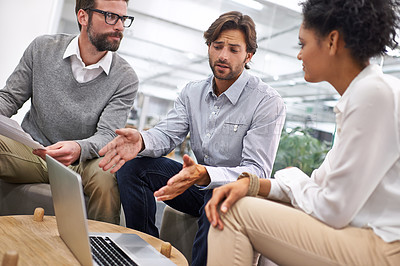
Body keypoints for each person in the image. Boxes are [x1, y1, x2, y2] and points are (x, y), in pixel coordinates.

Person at [205, 0, 400, 265]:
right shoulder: (366, 93)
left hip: (384, 248)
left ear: (332, 41)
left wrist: (290, 177)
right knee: (239, 203)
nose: (299, 55)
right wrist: (252, 184)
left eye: (302, 44)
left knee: (233, 212)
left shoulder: (373, 95)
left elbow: (333, 208)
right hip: (368, 236)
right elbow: (319, 185)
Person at [98, 11, 286, 265]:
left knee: (217, 194)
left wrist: (207, 175)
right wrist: (141, 141)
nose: (223, 55)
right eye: (217, 46)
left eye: (233, 49)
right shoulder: (192, 92)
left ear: (248, 56)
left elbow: (257, 171)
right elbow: (167, 133)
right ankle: (143, 255)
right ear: (208, 47)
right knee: (132, 168)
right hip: (197, 185)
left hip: (234, 196)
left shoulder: (266, 102)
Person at [0, 0, 138, 225]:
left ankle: (101, 253)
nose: (120, 26)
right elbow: (10, 98)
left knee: (107, 178)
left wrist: (79, 148)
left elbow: (107, 135)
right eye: (111, 17)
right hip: (34, 152)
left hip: (85, 161)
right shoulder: (42, 48)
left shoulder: (125, 77)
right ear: (83, 17)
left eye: (123, 19)